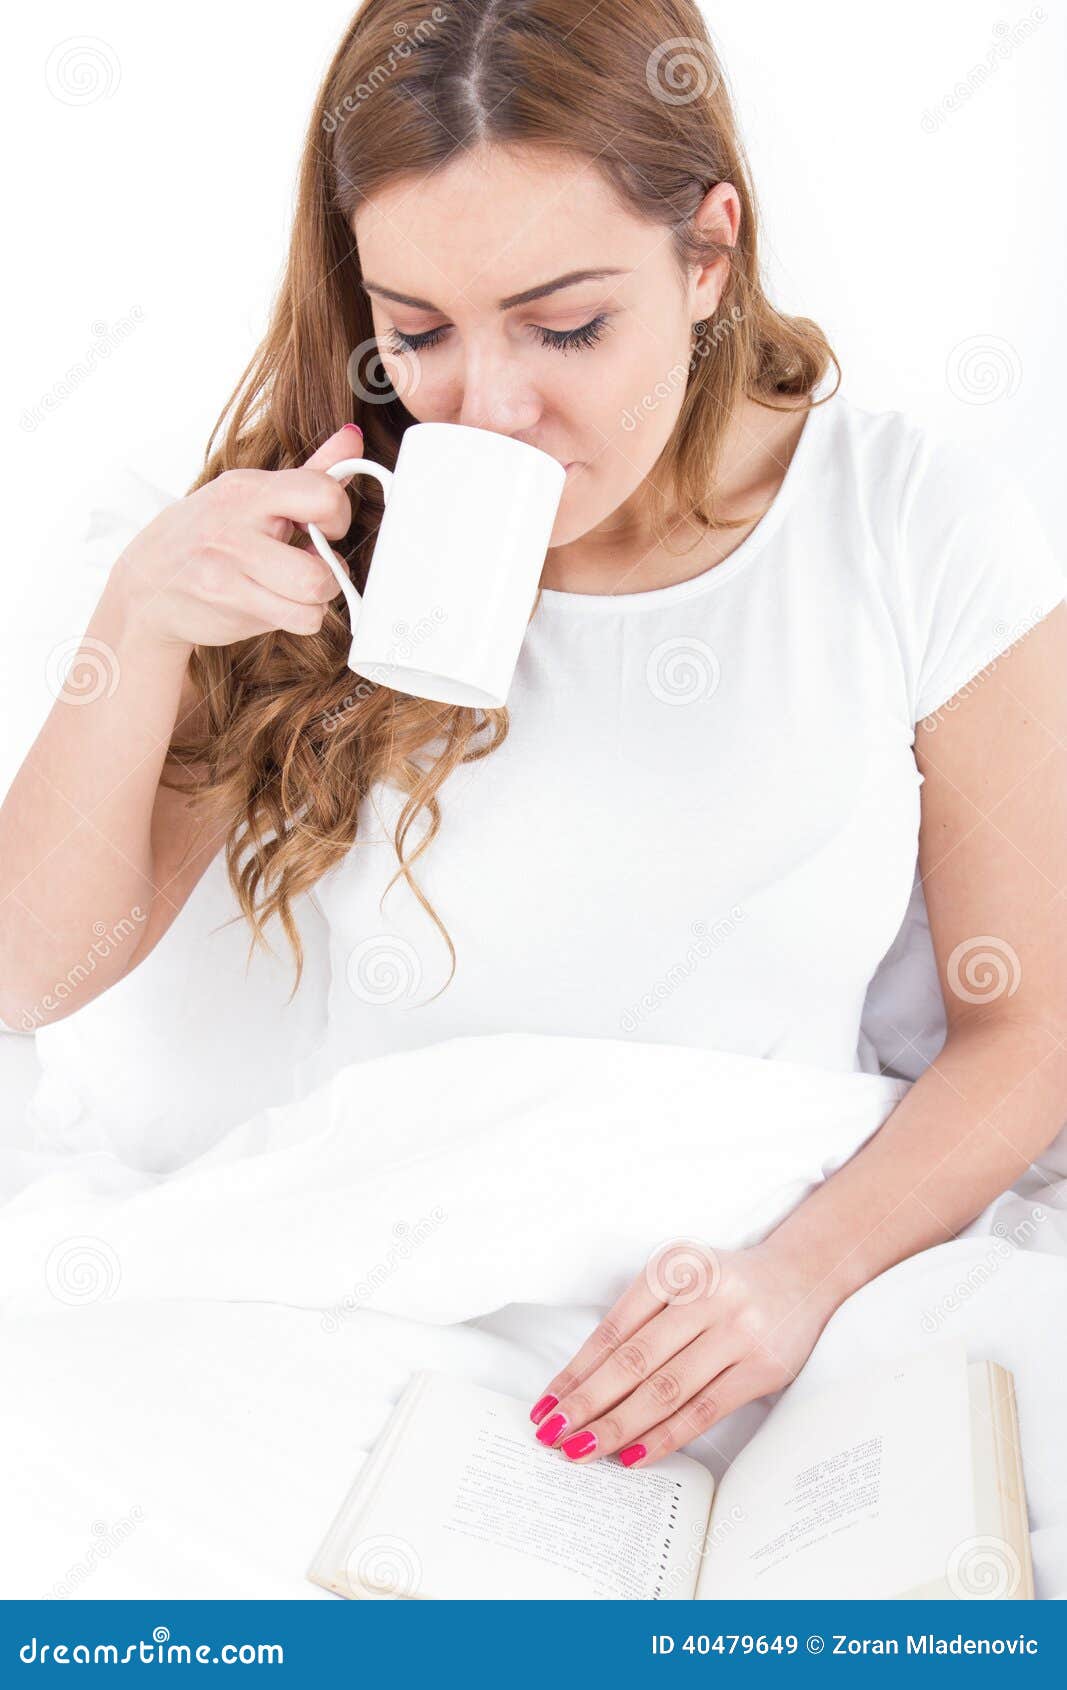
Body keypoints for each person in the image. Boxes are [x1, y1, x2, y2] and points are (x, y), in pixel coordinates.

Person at [2, 0, 1066, 1474]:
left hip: (785, 1304)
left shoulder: (911, 528)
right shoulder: (320, 534)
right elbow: (27, 973)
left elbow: (1032, 1021)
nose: (492, 410)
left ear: (708, 255)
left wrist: (794, 1282)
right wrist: (139, 621)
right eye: (420, 333)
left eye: (567, 325)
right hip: (389, 1308)